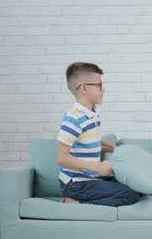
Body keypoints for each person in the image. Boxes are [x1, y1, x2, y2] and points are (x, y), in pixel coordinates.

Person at [56, 62, 141, 206]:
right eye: (99, 85)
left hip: (91, 179)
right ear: (84, 88)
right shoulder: (73, 118)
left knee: (137, 185)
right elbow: (61, 158)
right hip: (75, 184)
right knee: (129, 195)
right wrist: (97, 167)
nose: (104, 90)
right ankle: (77, 202)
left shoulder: (93, 114)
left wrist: (115, 149)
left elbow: (93, 143)